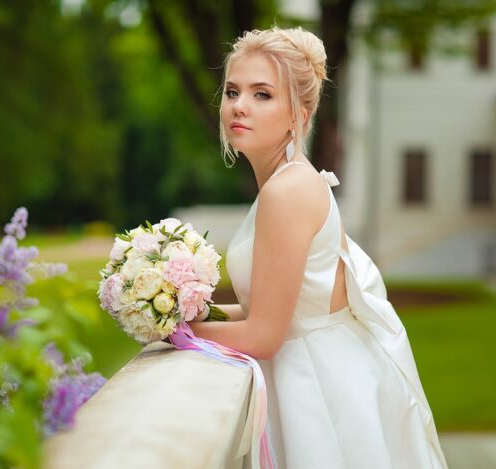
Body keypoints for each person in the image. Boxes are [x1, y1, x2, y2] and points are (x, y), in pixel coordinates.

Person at [188, 26, 449, 469]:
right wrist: (187, 309)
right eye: (233, 91)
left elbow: (264, 335)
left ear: (298, 113)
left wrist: (172, 334)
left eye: (262, 94)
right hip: (317, 367)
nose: (239, 106)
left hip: (317, 390)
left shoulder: (286, 192)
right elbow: (271, 309)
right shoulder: (288, 182)